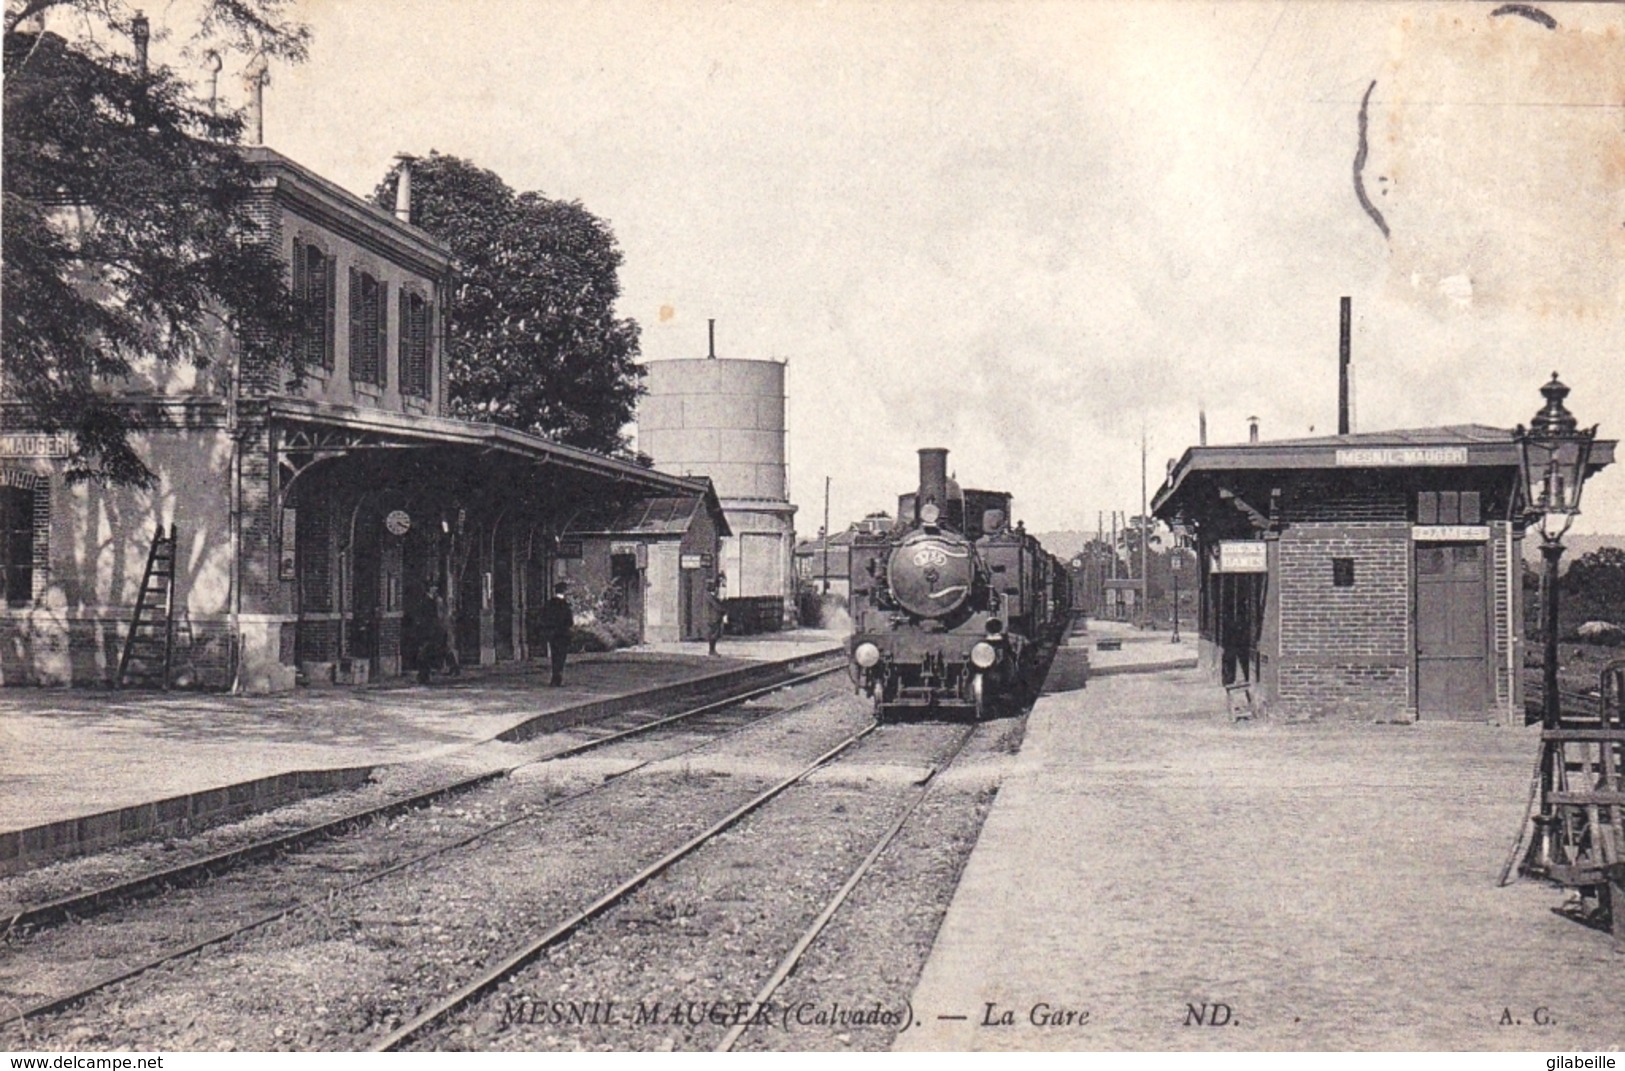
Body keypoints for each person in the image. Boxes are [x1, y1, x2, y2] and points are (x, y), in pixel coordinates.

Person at [539, 581, 574, 686]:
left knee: (554, 655)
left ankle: (555, 676)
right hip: (563, 634)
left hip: (552, 634)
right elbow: (570, 621)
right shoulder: (565, 605)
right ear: (564, 591)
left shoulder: (549, 604)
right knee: (561, 656)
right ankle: (558, 676)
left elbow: (543, 618)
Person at [433, 582, 461, 677]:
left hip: (443, 627)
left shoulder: (439, 601)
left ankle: (454, 668)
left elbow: (440, 615)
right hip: (444, 627)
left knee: (446, 648)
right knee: (444, 649)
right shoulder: (439, 601)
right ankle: (452, 668)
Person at [704, 578, 726, 657]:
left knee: (715, 634)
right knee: (714, 634)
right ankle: (712, 651)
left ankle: (712, 650)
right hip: (712, 618)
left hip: (713, 617)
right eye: (713, 586)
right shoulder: (709, 596)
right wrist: (723, 610)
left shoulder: (710, 595)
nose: (715, 587)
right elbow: (716, 605)